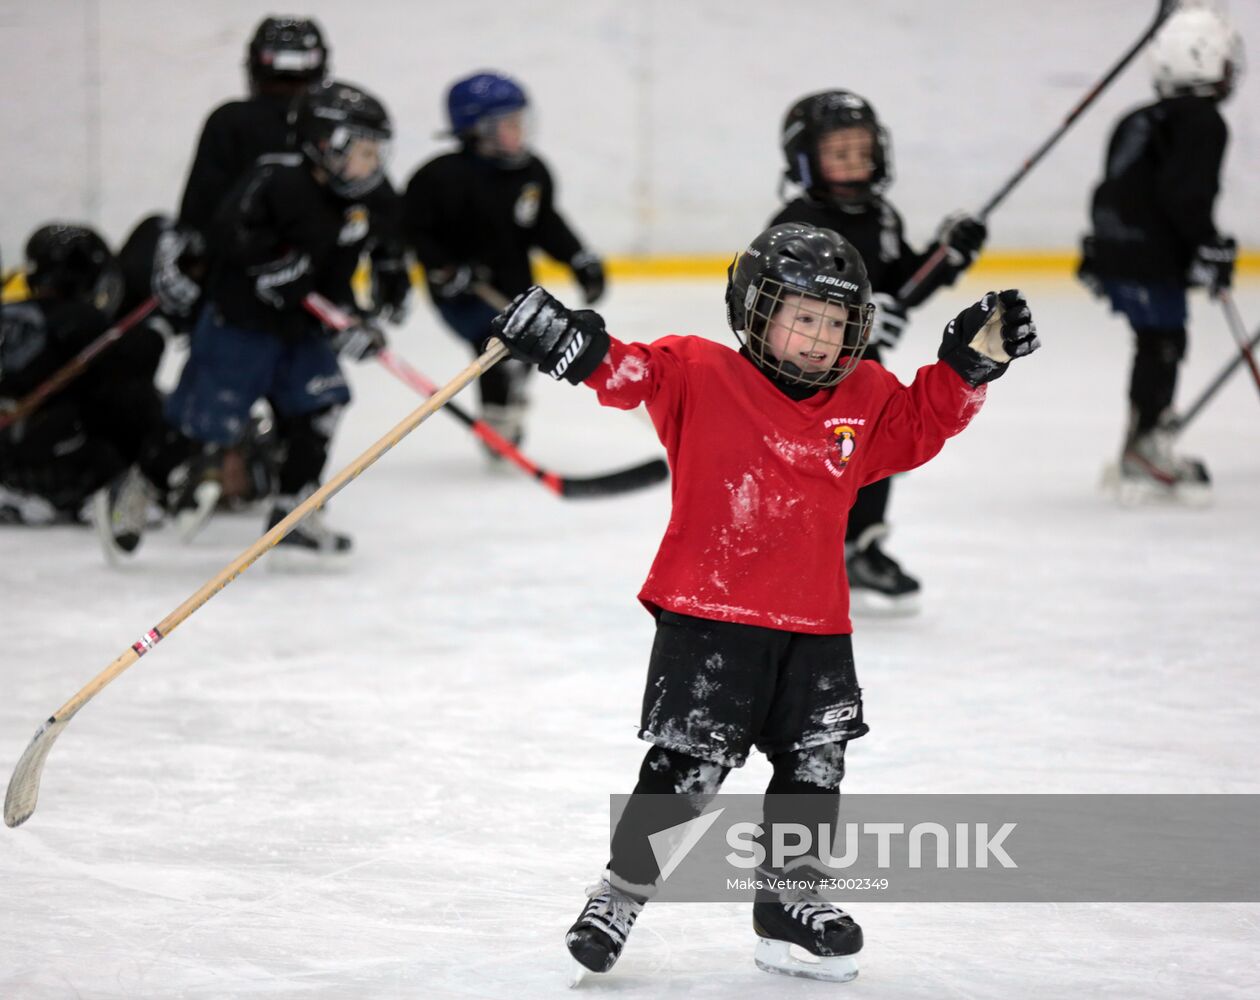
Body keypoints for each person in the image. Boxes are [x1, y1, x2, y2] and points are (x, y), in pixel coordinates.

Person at [486, 223, 1040, 982]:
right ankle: (619, 895)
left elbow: (919, 427)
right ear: (754, 309)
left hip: (816, 623)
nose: (820, 338)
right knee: (690, 766)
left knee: (816, 767)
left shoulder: (866, 395)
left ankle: (788, 906)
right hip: (711, 609)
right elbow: (625, 374)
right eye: (802, 316)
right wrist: (568, 343)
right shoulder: (697, 370)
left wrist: (969, 367)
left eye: (836, 322)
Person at [94, 79, 399, 565]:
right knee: (202, 423)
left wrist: (352, 322)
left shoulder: (360, 202)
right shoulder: (274, 179)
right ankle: (139, 487)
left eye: (376, 152)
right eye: (364, 152)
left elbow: (336, 280)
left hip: (300, 330)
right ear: (325, 145)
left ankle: (295, 509)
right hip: (241, 325)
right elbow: (228, 234)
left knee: (320, 405)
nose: (374, 164)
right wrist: (268, 266)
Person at [773, 90, 988, 614]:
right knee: (816, 460)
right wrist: (853, 325)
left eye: (861, 152)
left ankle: (859, 546)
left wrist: (945, 256)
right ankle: (796, 554)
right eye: (838, 153)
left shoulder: (881, 217)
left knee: (875, 451)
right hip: (806, 376)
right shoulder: (795, 223)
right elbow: (784, 308)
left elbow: (898, 282)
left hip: (863, 372)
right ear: (807, 160)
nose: (854, 164)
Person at [1079, 3, 1241, 503]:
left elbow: (1115, 190)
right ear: (1206, 60)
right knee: (1164, 343)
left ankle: (1140, 440)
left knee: (1155, 340)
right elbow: (1185, 195)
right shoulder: (1204, 122)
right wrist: (1207, 247)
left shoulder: (1139, 117)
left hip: (1115, 254)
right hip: (1148, 259)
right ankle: (1146, 446)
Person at [402, 70, 605, 453]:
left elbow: (545, 224)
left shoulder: (531, 172)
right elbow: (413, 232)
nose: (520, 130)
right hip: (463, 295)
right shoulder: (440, 178)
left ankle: (507, 399)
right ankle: (497, 418)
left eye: (520, 120)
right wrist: (445, 268)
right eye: (508, 123)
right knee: (496, 343)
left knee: (526, 347)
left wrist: (579, 259)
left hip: (516, 287)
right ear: (477, 130)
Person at [0, 224, 163, 525]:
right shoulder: (84, 321)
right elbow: (132, 375)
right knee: (127, 399)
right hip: (51, 455)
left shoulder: (10, 311)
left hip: (13, 445)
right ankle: (104, 490)